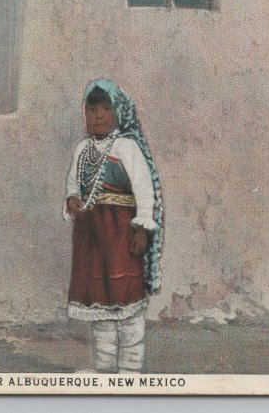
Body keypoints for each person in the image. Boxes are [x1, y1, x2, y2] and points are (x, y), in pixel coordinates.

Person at [63, 78, 163, 373]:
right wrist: (72, 201)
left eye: (106, 108)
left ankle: (130, 370)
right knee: (100, 303)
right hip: (90, 235)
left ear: (118, 112)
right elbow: (73, 185)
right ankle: (104, 368)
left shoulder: (126, 147)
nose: (99, 115)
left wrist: (142, 229)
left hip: (121, 233)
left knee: (126, 301)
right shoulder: (82, 149)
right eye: (92, 109)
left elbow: (145, 191)